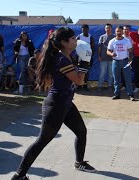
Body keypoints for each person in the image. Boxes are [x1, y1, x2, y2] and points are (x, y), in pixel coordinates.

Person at [11, 27, 96, 180]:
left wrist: (83, 60)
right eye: (72, 39)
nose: (76, 41)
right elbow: (79, 81)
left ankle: (79, 162)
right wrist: (85, 61)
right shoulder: (62, 59)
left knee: (81, 131)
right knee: (42, 141)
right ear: (64, 42)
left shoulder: (66, 56)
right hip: (56, 105)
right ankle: (19, 176)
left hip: (66, 103)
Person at [107, 26, 135, 101]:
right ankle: (117, 94)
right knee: (116, 79)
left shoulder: (126, 41)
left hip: (125, 61)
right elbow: (108, 51)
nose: (118, 33)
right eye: (117, 31)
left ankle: (130, 95)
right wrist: (111, 54)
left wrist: (130, 60)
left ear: (122, 32)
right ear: (115, 32)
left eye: (120, 31)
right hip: (115, 62)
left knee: (128, 79)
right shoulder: (112, 41)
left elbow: (130, 51)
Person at [76, 24, 95, 90]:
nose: (85, 31)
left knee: (86, 72)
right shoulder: (79, 37)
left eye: (86, 29)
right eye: (83, 29)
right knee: (79, 71)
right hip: (80, 57)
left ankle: (85, 85)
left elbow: (92, 48)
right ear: (82, 30)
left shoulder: (90, 37)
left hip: (87, 57)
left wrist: (91, 57)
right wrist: (76, 58)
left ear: (88, 29)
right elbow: (75, 46)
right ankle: (78, 85)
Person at [97, 23, 114, 91]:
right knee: (102, 73)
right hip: (103, 58)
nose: (108, 29)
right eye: (106, 28)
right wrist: (99, 56)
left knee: (111, 73)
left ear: (111, 29)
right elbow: (99, 47)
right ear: (105, 29)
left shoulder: (114, 37)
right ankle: (100, 86)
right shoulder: (102, 37)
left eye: (109, 28)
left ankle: (110, 86)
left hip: (112, 59)